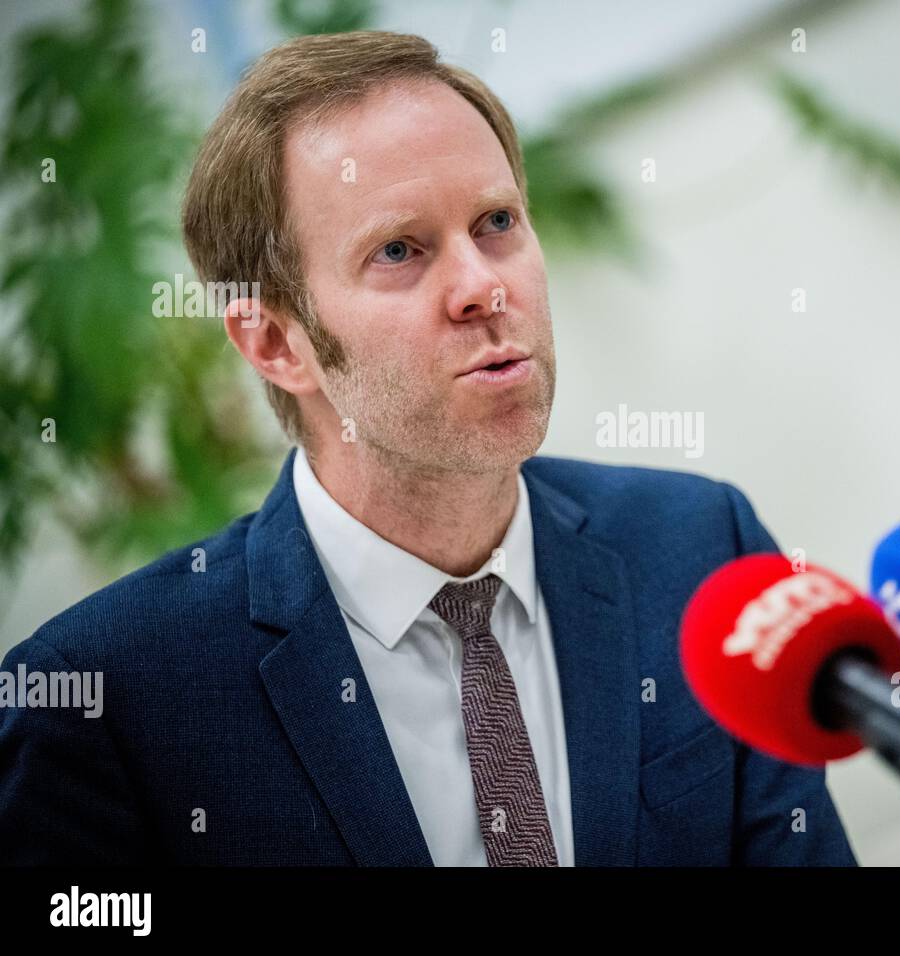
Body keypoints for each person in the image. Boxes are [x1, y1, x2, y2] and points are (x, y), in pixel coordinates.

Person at [0, 31, 856, 866]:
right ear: (274, 343)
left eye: (496, 222)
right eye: (399, 250)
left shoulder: (700, 549)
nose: (484, 286)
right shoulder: (107, 699)